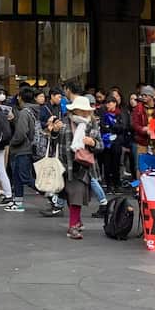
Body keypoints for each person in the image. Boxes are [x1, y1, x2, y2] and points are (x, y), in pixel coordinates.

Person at [51, 95, 100, 239]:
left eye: (86, 110)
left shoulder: (92, 124)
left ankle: (72, 226)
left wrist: (93, 143)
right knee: (69, 194)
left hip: (82, 165)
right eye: (81, 110)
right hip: (65, 164)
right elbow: (54, 141)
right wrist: (54, 131)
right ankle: (76, 220)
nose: (84, 113)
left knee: (76, 193)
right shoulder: (64, 122)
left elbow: (100, 145)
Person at [5, 86, 40, 213]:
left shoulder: (25, 112)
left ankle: (51, 195)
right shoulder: (32, 111)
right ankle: (18, 201)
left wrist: (12, 142)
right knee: (17, 177)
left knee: (25, 177)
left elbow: (21, 133)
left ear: (20, 97)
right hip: (26, 148)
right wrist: (14, 120)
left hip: (22, 149)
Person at [131, 85, 155, 156]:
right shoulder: (138, 108)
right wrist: (143, 129)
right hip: (142, 142)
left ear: (152, 96)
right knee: (143, 165)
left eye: (146, 95)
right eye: (142, 95)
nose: (143, 97)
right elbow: (135, 124)